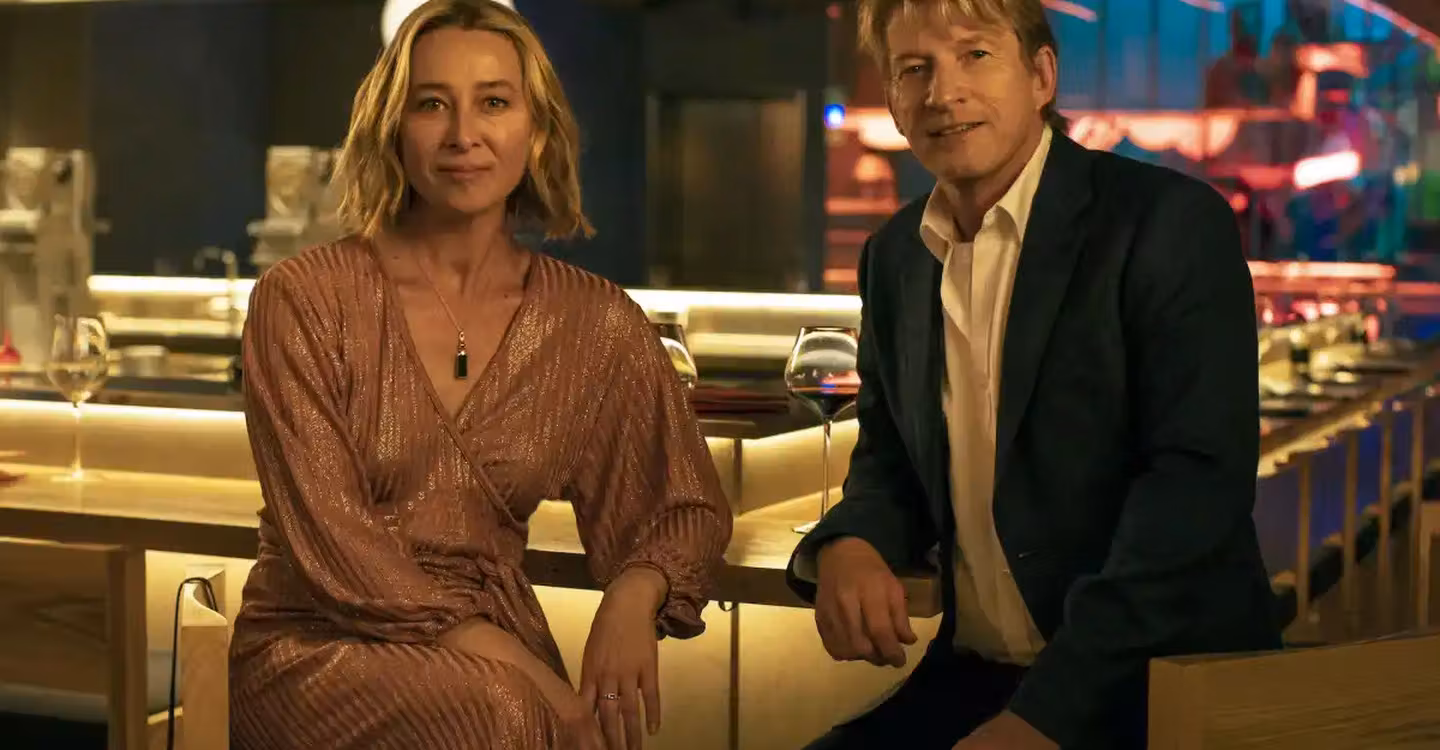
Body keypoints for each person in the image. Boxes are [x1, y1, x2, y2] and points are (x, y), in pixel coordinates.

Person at [228, 2, 733, 748]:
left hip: (496, 652)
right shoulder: (303, 298)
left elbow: (683, 505)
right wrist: (534, 681)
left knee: (509, 708)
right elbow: (335, 545)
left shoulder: (591, 320)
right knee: (506, 713)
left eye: (494, 102)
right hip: (313, 644)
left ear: (537, 130)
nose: (463, 134)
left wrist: (635, 592)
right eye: (432, 105)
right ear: (392, 128)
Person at [787, 1, 1282, 748]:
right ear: (891, 97)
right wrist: (849, 542)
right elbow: (890, 463)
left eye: (975, 55)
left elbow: (1194, 497)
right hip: (977, 677)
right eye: (914, 69)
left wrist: (1045, 718)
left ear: (1042, 76)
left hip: (1157, 688)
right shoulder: (894, 256)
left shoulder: (1168, 222)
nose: (942, 93)